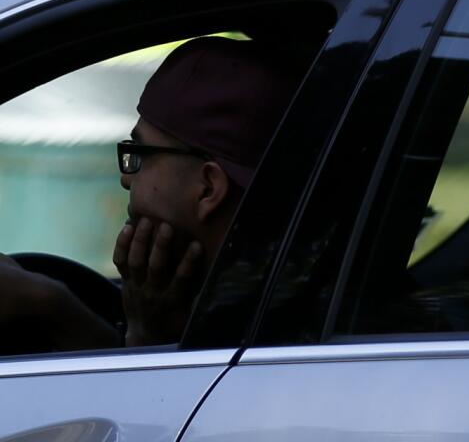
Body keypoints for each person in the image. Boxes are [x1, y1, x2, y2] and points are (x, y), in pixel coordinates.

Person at [0, 37, 303, 351]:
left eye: (140, 155)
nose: (125, 178)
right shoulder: (273, 280)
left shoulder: (259, 317)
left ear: (208, 188)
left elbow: (154, 398)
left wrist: (144, 336)